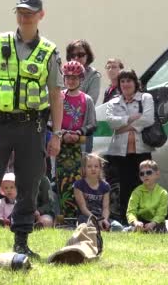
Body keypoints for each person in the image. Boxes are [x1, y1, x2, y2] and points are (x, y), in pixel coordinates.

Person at [0, 0, 63, 259]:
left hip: (33, 126)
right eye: (20, 11)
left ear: (41, 15)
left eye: (30, 11)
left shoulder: (50, 52)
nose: (24, 16)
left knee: (29, 185)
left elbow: (55, 94)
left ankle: (21, 242)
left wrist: (57, 133)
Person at [104, 69, 155, 222]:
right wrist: (131, 118)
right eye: (122, 81)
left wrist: (124, 127)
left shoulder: (145, 98)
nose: (126, 84)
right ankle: (128, 220)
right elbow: (111, 122)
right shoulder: (113, 101)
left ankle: (145, 220)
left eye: (129, 80)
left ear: (135, 82)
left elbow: (148, 119)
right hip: (120, 153)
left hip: (142, 151)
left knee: (145, 185)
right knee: (125, 188)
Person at [55, 61, 97, 218]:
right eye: (68, 78)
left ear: (81, 79)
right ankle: (62, 215)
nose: (71, 81)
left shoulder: (87, 100)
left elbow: (92, 124)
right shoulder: (58, 97)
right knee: (60, 178)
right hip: (61, 143)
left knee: (79, 178)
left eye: (75, 78)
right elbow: (50, 121)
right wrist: (63, 133)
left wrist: (79, 132)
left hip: (79, 146)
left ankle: (80, 214)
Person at [73, 153, 123, 231]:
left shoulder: (105, 186)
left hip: (101, 217)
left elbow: (105, 208)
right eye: (89, 166)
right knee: (89, 226)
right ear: (84, 169)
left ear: (100, 168)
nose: (93, 169)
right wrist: (96, 220)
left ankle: (103, 227)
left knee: (118, 227)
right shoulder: (78, 185)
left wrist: (105, 220)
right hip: (86, 217)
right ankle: (99, 228)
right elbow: (83, 208)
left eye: (96, 166)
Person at [126, 160, 168, 233]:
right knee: (134, 229)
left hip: (156, 223)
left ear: (157, 174)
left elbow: (161, 214)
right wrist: (135, 222)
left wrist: (152, 223)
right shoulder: (136, 192)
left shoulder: (163, 193)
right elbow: (130, 211)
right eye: (142, 174)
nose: (145, 175)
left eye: (148, 172)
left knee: (158, 230)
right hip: (140, 222)